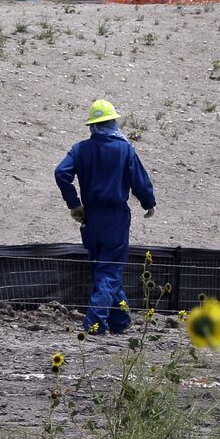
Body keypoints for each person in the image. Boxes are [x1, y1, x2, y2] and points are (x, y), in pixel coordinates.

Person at [55, 99, 157, 335]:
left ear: (92, 126)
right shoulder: (124, 150)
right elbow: (139, 181)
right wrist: (148, 203)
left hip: (90, 218)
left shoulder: (80, 149)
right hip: (115, 218)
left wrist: (74, 204)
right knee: (109, 271)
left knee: (104, 270)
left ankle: (120, 321)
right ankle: (95, 325)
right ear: (113, 122)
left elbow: (61, 173)